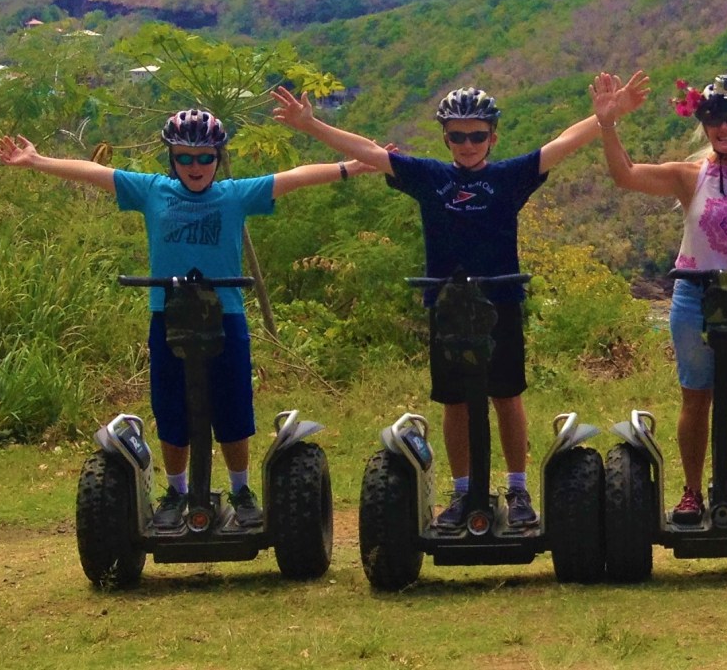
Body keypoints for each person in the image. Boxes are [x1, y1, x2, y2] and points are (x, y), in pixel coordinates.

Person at [271, 77, 644, 529]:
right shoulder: (431, 177)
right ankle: (463, 491)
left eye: (478, 135)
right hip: (448, 307)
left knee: (507, 396)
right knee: (455, 402)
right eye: (458, 136)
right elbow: (369, 151)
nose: (468, 144)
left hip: (499, 301)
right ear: (446, 137)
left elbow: (562, 144)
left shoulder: (507, 177)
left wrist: (607, 117)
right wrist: (311, 125)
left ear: (493, 137)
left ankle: (518, 489)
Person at [0, 109, 379, 530]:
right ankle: (176, 491)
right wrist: (37, 161)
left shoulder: (235, 195)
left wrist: (351, 166)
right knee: (171, 407)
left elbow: (294, 177)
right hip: (169, 317)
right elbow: (95, 173)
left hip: (225, 316)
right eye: (184, 158)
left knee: (233, 406)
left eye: (204, 158)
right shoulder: (152, 191)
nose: (195, 167)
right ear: (172, 159)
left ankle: (240, 489)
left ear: (218, 157)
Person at [590, 70, 727, 523]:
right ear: (704, 125)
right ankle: (690, 492)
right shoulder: (688, 176)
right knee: (696, 396)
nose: (725, 128)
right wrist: (607, 124)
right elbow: (625, 175)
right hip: (694, 294)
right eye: (715, 120)